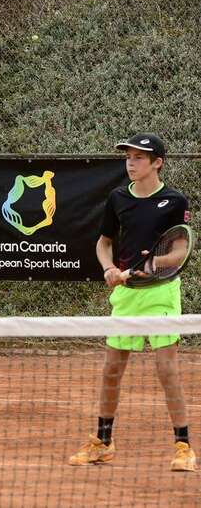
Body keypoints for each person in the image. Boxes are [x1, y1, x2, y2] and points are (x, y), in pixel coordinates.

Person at [68, 133, 195, 471]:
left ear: (157, 163)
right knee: (112, 370)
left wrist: (157, 264)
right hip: (126, 296)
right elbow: (103, 243)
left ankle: (183, 447)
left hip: (161, 293)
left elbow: (180, 249)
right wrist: (109, 267)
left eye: (139, 157)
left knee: (166, 370)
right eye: (128, 156)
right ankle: (104, 443)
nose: (131, 162)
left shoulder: (174, 200)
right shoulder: (117, 198)